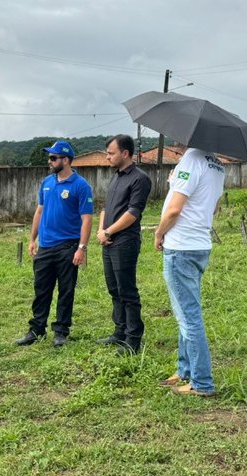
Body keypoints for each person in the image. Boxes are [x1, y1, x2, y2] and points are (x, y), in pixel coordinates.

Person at [154, 147, 225, 397]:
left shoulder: (191, 159)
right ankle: (184, 371)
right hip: (199, 245)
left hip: (181, 247)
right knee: (184, 312)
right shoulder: (217, 164)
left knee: (189, 316)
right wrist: (175, 182)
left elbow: (174, 210)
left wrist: (159, 232)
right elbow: (212, 207)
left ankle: (202, 382)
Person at [15, 140, 93, 348]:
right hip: (46, 247)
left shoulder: (81, 186)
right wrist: (32, 239)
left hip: (68, 247)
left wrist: (82, 248)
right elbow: (39, 211)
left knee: (66, 291)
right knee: (41, 290)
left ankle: (61, 331)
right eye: (49, 157)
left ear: (65, 160)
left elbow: (87, 219)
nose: (49, 161)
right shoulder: (47, 183)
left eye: (53, 157)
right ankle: (36, 329)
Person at [95, 134, 152, 355]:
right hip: (108, 241)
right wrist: (101, 230)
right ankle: (119, 332)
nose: (108, 157)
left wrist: (109, 231)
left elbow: (133, 213)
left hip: (125, 242)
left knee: (127, 291)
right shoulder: (116, 176)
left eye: (111, 153)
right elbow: (105, 208)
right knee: (114, 289)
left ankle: (133, 338)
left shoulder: (140, 179)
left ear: (125, 153)